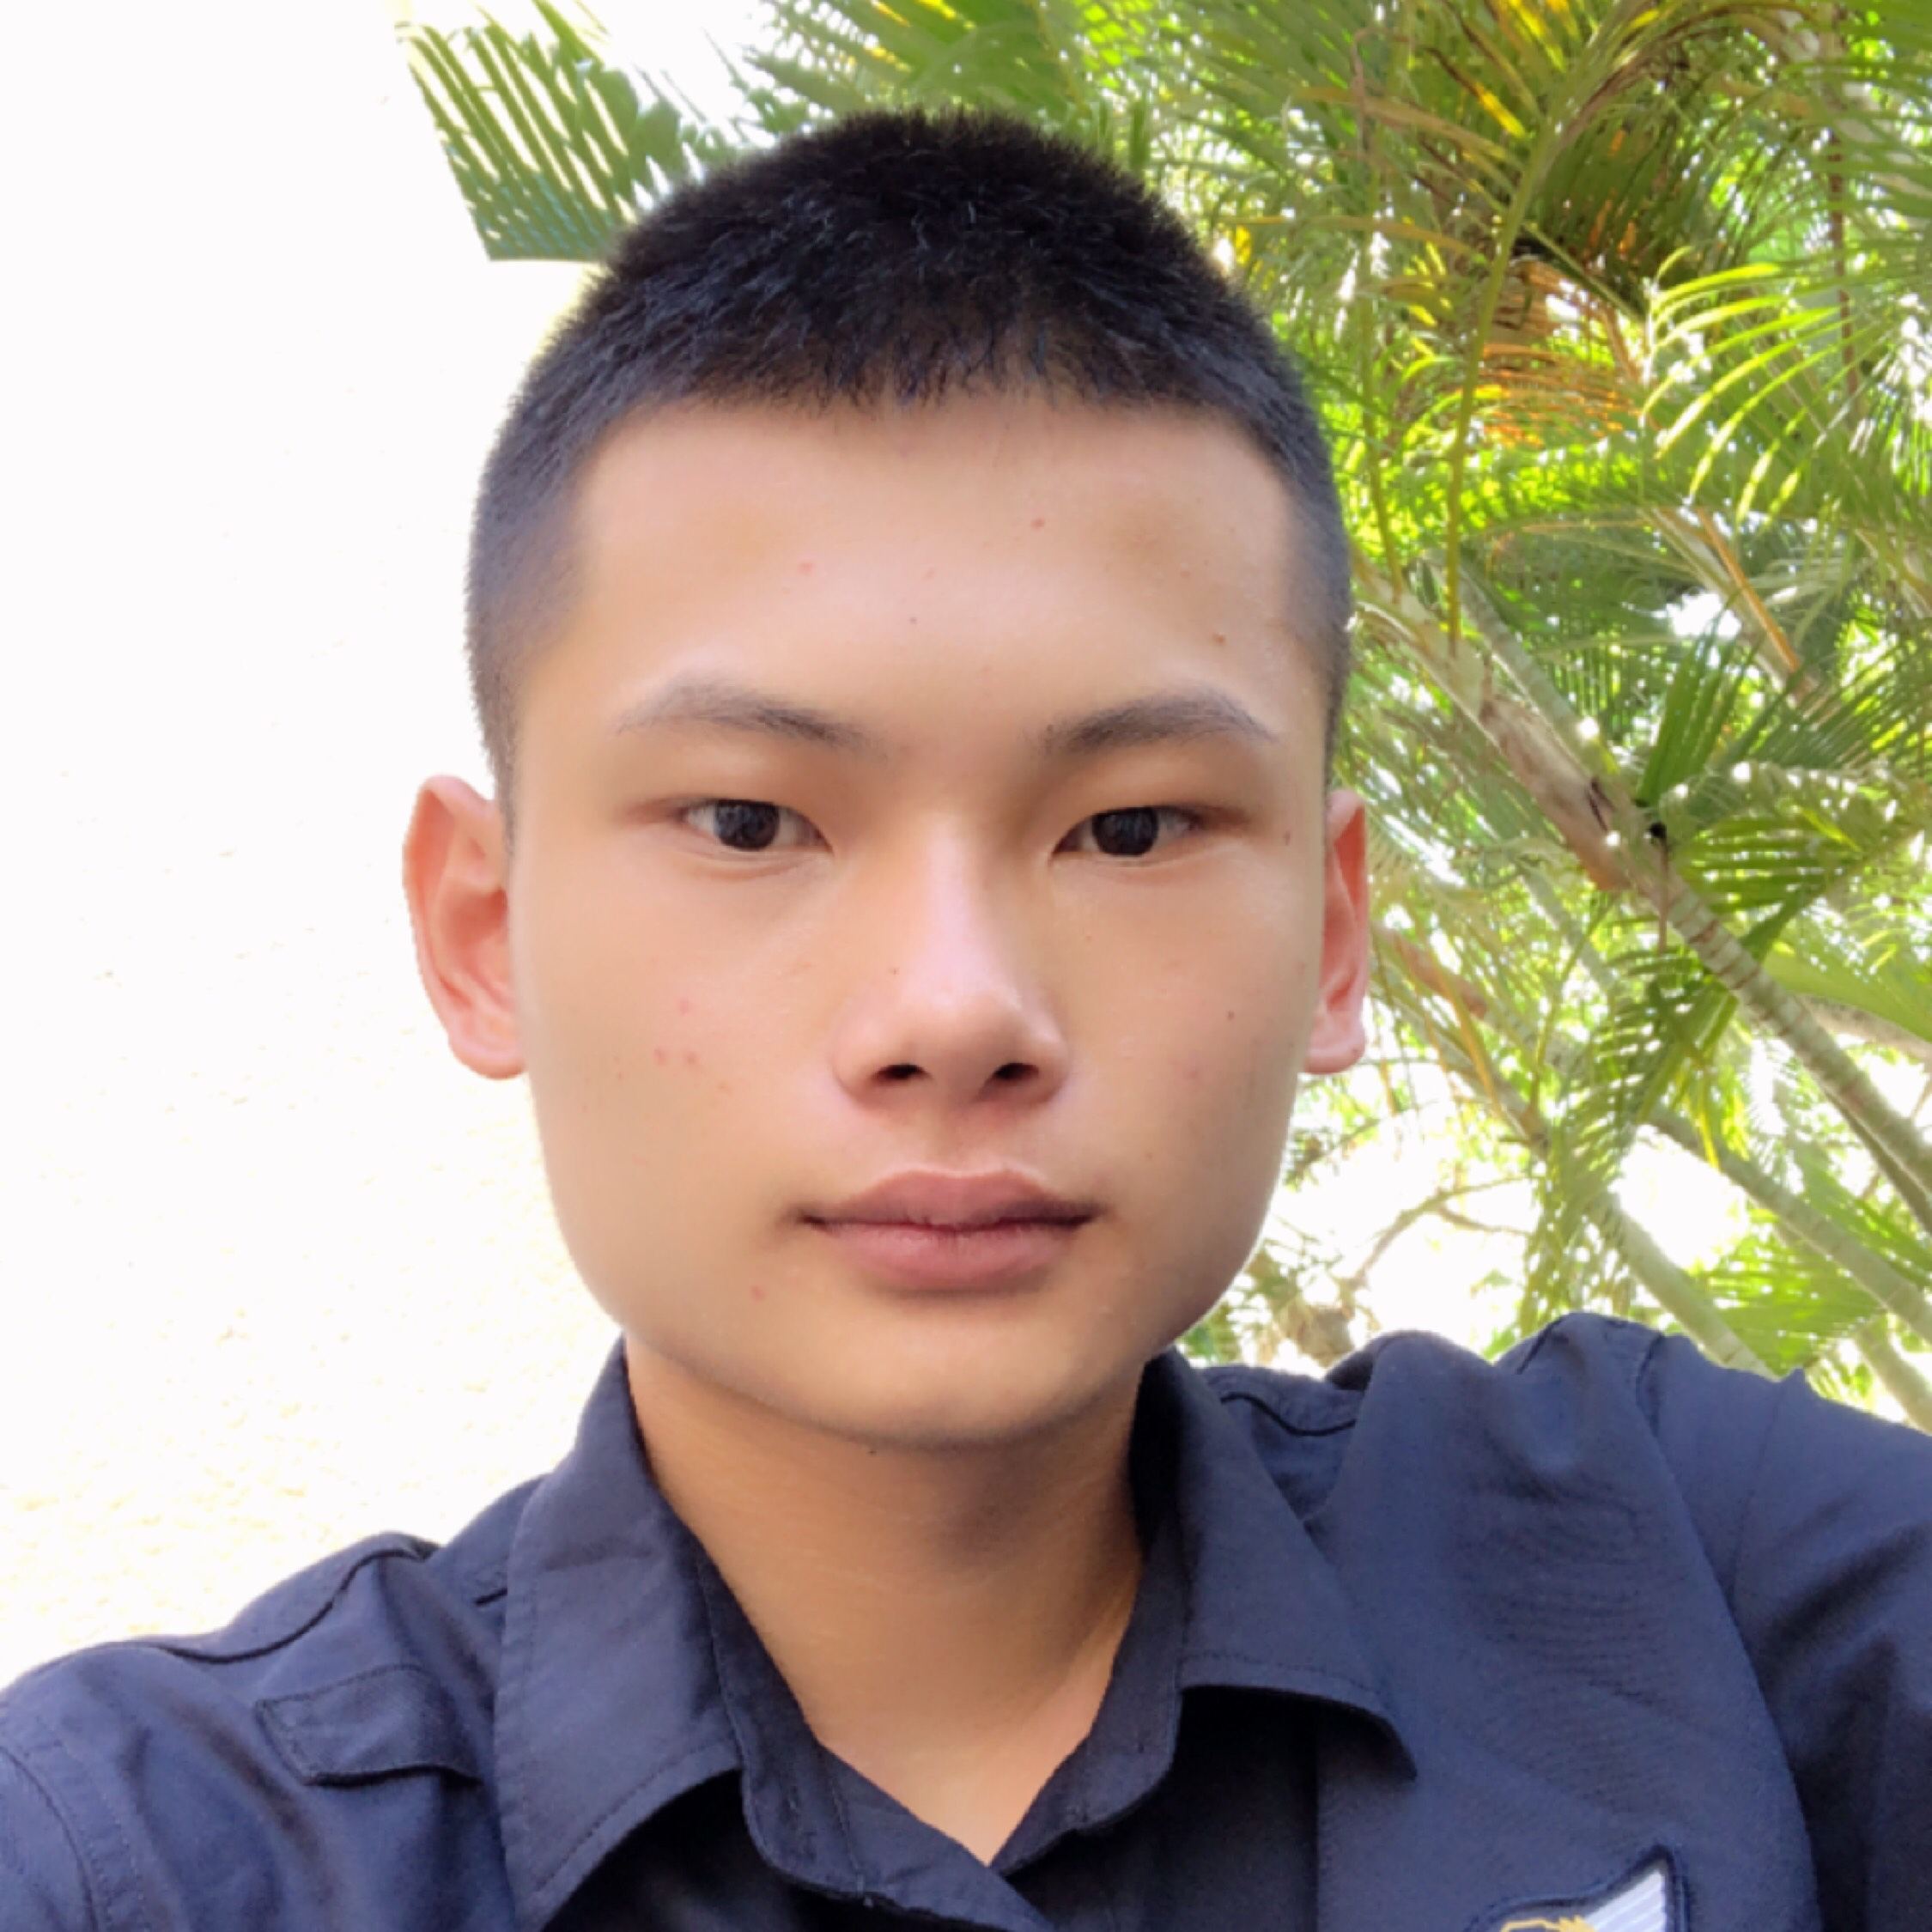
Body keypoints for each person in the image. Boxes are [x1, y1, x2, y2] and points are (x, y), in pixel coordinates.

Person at [2, 107, 1927, 1932]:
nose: (954, 1010)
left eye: (1131, 827)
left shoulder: (1702, 1573)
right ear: (483, 932)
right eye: (747, 821)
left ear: (1334, 936)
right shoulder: (137, 1860)